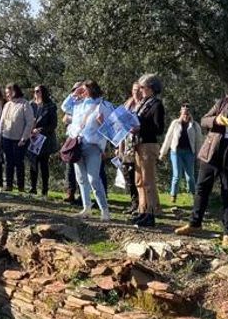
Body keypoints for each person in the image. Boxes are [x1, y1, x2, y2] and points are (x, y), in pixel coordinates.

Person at [175, 79, 228, 246]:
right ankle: (194, 223)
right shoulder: (223, 103)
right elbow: (204, 120)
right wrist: (216, 120)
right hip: (212, 152)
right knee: (202, 188)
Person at [62, 80, 116, 220]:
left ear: (92, 89)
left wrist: (102, 122)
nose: (82, 92)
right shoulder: (79, 104)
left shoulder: (104, 105)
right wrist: (74, 93)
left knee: (93, 179)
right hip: (77, 144)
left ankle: (104, 211)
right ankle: (86, 208)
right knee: (81, 179)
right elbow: (64, 107)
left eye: (84, 89)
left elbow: (113, 127)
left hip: (93, 146)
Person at [131, 74, 165, 228]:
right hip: (138, 144)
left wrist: (140, 127)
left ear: (151, 88)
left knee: (148, 181)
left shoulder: (157, 105)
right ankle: (142, 211)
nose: (140, 90)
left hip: (148, 145)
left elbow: (159, 128)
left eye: (143, 87)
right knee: (139, 180)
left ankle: (151, 213)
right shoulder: (142, 103)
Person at [160, 103, 202, 203]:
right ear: (180, 113)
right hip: (176, 152)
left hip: (189, 153)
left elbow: (198, 141)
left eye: (187, 114)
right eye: (184, 113)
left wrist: (199, 156)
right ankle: (173, 195)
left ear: (190, 114)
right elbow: (168, 138)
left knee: (190, 177)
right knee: (177, 175)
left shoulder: (195, 125)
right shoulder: (175, 123)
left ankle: (193, 195)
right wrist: (163, 152)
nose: (186, 116)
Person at [0, 83, 36, 193]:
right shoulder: (7, 105)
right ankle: (9, 185)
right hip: (6, 137)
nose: (7, 95)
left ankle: (21, 187)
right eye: (6, 93)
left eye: (9, 92)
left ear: (15, 91)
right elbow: (2, 121)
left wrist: (24, 138)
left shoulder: (25, 104)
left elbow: (30, 122)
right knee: (8, 162)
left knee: (19, 163)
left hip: (19, 139)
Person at [118, 83, 144, 216]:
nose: (136, 92)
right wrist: (119, 148)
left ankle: (142, 205)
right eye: (134, 90)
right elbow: (121, 128)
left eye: (138, 90)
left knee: (138, 175)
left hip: (139, 144)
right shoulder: (127, 106)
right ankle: (134, 203)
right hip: (127, 144)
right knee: (128, 174)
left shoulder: (143, 106)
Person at [28, 85, 58, 197]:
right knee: (32, 164)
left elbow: (53, 125)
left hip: (45, 140)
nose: (36, 93)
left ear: (43, 93)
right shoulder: (30, 105)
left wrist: (41, 130)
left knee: (44, 165)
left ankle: (44, 190)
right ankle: (33, 188)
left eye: (38, 91)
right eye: (34, 91)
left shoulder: (50, 106)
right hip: (32, 139)